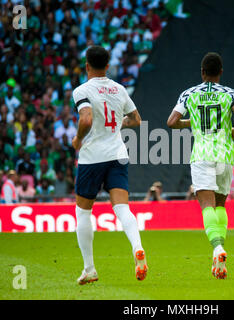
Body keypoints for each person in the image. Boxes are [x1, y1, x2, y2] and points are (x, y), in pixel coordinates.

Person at [167, 52, 234, 279]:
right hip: (224, 155)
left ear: (202, 72)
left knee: (206, 206)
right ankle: (220, 252)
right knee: (221, 205)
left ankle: (217, 248)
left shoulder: (189, 94)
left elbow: (171, 122)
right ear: (221, 72)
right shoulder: (231, 93)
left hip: (202, 155)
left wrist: (191, 122)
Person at [71, 46, 147, 285]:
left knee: (83, 211)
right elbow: (136, 120)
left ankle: (89, 268)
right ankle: (138, 247)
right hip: (117, 154)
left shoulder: (82, 90)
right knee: (122, 208)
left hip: (93, 157)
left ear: (86, 66)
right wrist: (117, 126)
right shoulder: (119, 89)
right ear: (107, 66)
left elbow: (86, 118)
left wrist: (78, 138)